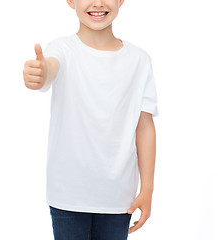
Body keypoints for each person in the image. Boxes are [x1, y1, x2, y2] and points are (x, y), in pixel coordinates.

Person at [23, 0, 159, 239]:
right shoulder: (62, 49)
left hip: (118, 198)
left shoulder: (139, 60)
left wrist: (147, 187)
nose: (97, 3)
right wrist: (41, 73)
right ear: (71, 1)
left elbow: (144, 127)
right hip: (67, 195)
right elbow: (50, 68)